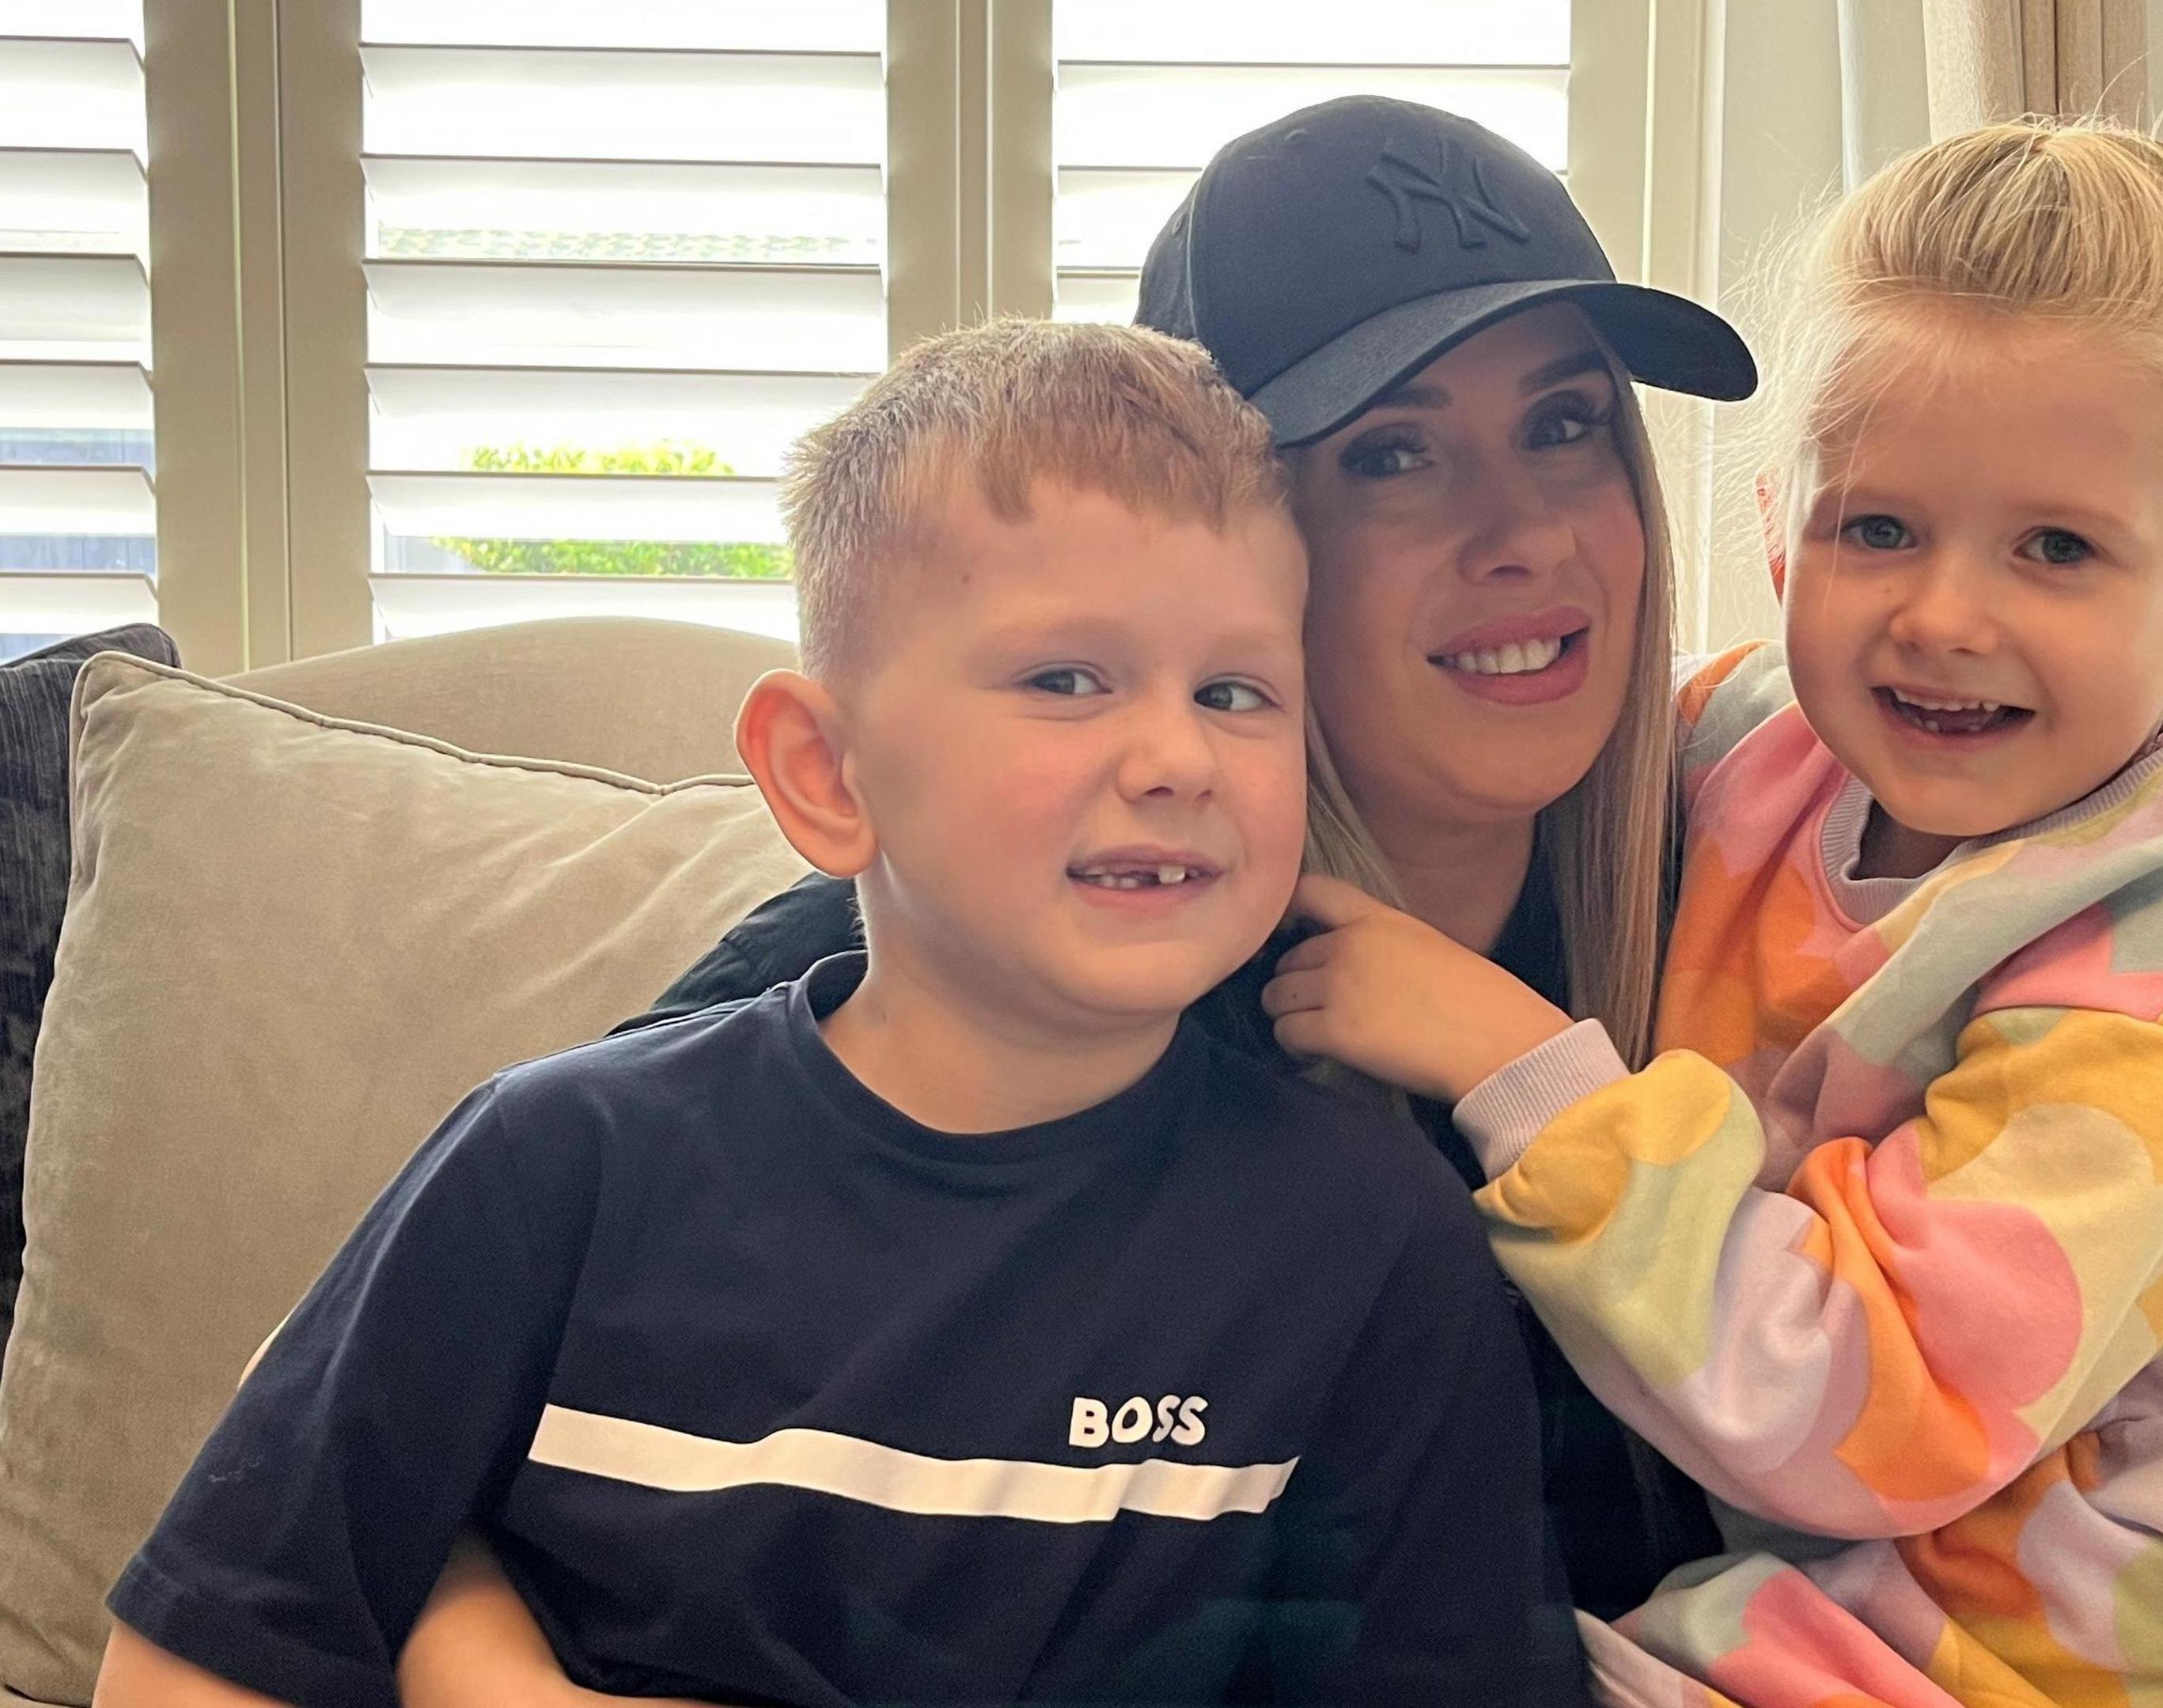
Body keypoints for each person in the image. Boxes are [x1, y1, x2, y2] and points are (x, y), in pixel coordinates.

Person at [387, 97, 1759, 1705]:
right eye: (1394, 452)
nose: (1523, 534)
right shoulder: (983, 974)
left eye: (1568, 423)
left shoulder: (1775, 897)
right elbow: (371, 1416)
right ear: (1225, 539)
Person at [92, 320, 1585, 1708]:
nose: (1177, 757)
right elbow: (195, 1657)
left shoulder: (1369, 1240)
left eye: (1239, 693)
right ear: (824, 774)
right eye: (1068, 678)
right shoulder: (559, 1165)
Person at [1265, 119, 2163, 1706]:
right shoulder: (1755, 752)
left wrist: (1518, 1067)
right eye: (1877, 529)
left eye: (2057, 548)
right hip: (1856, 1613)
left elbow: (1889, 1398)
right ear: (1776, 532)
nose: (1945, 617)